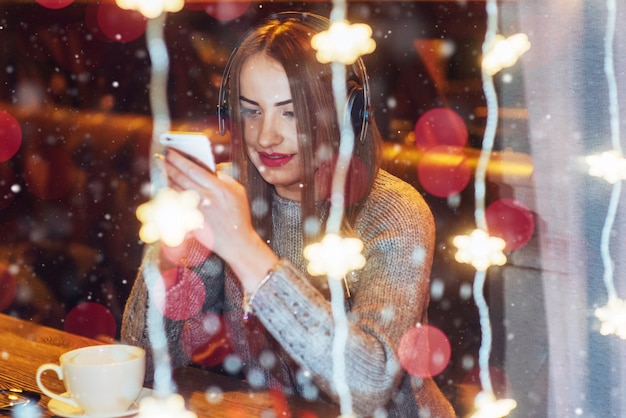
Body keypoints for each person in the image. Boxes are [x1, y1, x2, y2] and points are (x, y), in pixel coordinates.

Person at [122, 12, 455, 417]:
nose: (266, 137)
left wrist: (243, 247)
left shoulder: (395, 212)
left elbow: (367, 385)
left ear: (347, 114)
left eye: (291, 112)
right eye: (251, 111)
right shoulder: (230, 196)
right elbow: (146, 358)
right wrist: (174, 238)